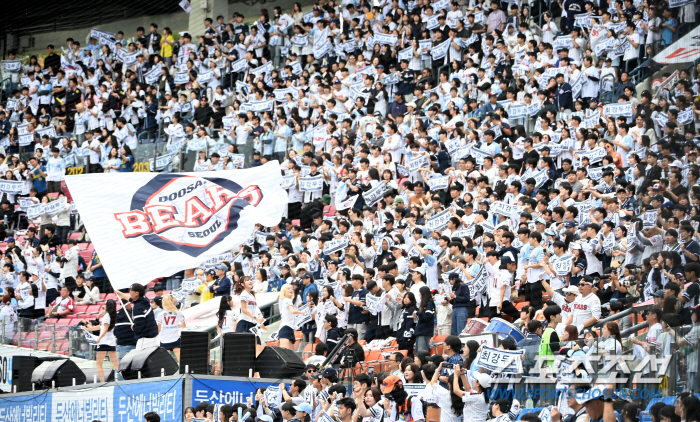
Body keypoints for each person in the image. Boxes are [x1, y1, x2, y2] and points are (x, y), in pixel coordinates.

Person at [84, 299, 118, 382]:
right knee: (115, 363)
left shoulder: (107, 317)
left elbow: (105, 329)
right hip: (111, 342)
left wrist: (99, 338)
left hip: (104, 342)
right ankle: (125, 378)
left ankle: (103, 382)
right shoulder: (112, 316)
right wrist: (89, 329)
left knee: (99, 364)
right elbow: (100, 327)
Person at [156, 295, 186, 362]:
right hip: (175, 337)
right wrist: (175, 324)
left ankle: (165, 372)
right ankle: (183, 372)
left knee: (165, 361)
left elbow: (158, 329)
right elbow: (183, 325)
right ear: (174, 302)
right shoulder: (178, 313)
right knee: (180, 359)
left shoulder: (160, 314)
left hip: (164, 339)